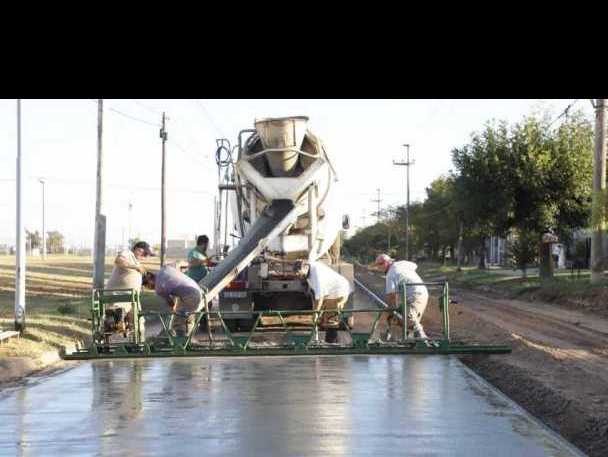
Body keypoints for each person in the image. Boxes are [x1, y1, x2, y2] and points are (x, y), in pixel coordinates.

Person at [104, 241, 155, 338]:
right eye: (145, 254)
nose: (145, 257)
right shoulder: (128, 254)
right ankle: (119, 317)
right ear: (138, 249)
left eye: (147, 255)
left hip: (131, 297)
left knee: (139, 322)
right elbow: (118, 261)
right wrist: (135, 267)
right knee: (123, 305)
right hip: (119, 294)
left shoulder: (137, 262)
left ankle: (138, 344)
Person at [374, 253, 429, 340]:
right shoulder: (402, 263)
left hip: (415, 294)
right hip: (422, 290)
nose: (378, 268)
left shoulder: (390, 275)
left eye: (379, 265)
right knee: (400, 315)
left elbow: (392, 296)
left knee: (408, 317)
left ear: (385, 263)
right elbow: (414, 266)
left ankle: (422, 337)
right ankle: (406, 337)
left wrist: (392, 310)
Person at [142, 265, 203, 337]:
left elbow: (171, 303)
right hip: (195, 288)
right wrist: (175, 308)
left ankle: (183, 341)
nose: (148, 288)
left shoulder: (159, 287)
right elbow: (174, 284)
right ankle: (185, 338)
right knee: (182, 316)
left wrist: (173, 309)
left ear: (149, 280)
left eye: (146, 285)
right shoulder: (165, 269)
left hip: (190, 296)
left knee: (180, 320)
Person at [302, 260, 352, 343]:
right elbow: (316, 295)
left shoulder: (317, 275)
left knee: (330, 317)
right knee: (323, 318)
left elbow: (319, 298)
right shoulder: (308, 270)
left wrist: (315, 313)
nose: (300, 276)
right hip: (329, 292)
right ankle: (328, 340)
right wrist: (317, 313)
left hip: (338, 291)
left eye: (300, 274)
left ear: (306, 268)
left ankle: (331, 342)